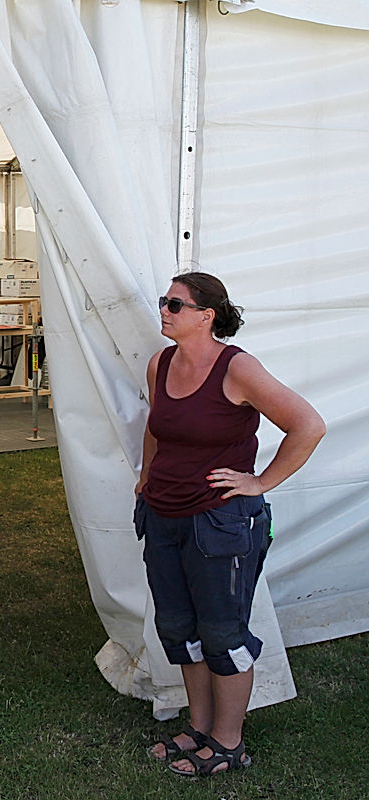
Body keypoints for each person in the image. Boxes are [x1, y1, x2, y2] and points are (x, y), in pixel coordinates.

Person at [134, 272, 324, 777]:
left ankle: (228, 742)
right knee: (178, 628)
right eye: (164, 302)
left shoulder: (238, 369)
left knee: (222, 633)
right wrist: (147, 475)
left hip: (219, 523)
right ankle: (199, 728)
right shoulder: (161, 363)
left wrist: (260, 482)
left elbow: (308, 425)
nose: (165, 311)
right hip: (163, 515)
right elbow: (159, 427)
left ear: (206, 315)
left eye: (176, 304)